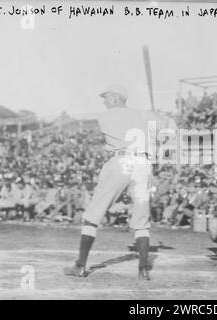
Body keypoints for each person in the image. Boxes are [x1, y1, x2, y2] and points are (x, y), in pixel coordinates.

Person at [64, 84, 176, 280]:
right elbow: (172, 129)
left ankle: (80, 266)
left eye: (106, 97)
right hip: (143, 164)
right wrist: (161, 118)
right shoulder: (145, 114)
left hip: (121, 161)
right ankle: (143, 269)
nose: (104, 101)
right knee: (142, 220)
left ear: (116, 98)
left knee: (93, 215)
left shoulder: (106, 116)